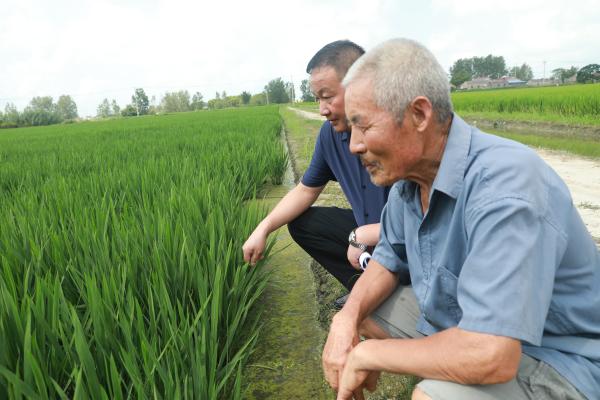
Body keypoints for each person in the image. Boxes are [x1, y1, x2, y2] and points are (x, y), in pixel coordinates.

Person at [322, 38, 599, 400]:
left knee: (433, 397)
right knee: (357, 316)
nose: (354, 144)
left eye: (364, 126)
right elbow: (387, 261)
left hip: (559, 356)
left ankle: (449, 375)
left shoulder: (505, 186)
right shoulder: (409, 182)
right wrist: (347, 321)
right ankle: (445, 362)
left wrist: (370, 355)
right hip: (464, 321)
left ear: (419, 115)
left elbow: (493, 354)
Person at [242, 40, 390, 304]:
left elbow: (430, 221)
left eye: (328, 96)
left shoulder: (399, 135)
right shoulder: (330, 135)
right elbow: (306, 189)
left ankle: (388, 292)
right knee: (302, 223)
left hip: (409, 240)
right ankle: (362, 288)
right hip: (370, 229)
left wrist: (365, 235)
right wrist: (263, 228)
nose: (322, 110)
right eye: (317, 99)